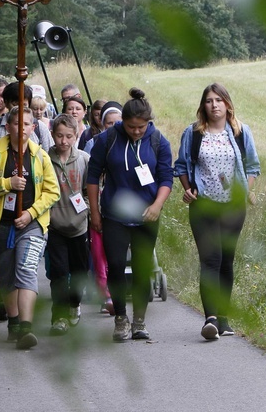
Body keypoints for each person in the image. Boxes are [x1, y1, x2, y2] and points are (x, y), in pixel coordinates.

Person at [173, 83, 260, 340]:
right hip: (204, 206)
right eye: (209, 101)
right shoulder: (193, 132)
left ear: (227, 104)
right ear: (203, 106)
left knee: (226, 262)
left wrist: (245, 191)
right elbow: (181, 166)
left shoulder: (241, 132)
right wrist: (188, 189)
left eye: (218, 100)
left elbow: (253, 166)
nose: (214, 105)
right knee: (210, 260)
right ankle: (210, 318)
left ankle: (223, 318)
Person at [86, 88, 173, 342]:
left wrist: (157, 205)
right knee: (115, 265)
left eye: (141, 127)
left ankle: (139, 321)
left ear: (148, 122)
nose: (136, 131)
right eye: (131, 127)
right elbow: (92, 177)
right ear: (123, 121)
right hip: (114, 214)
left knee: (142, 267)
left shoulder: (158, 140)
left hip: (147, 215)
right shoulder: (107, 139)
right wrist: (95, 212)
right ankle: (121, 318)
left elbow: (166, 177)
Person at [0, 106, 60, 350]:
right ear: (8, 127)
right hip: (2, 224)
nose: (21, 128)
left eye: (26, 124)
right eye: (16, 124)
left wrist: (31, 213)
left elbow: (52, 192)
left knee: (26, 270)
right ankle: (14, 320)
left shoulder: (40, 156)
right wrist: (7, 184)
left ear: (33, 128)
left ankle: (26, 326)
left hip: (32, 225)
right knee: (6, 276)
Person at [46, 114, 91, 335]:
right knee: (59, 273)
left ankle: (74, 303)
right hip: (54, 226)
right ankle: (59, 316)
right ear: (52, 134)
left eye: (69, 136)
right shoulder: (45, 158)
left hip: (79, 225)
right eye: (59, 136)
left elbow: (90, 190)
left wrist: (88, 210)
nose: (63, 141)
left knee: (80, 271)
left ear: (76, 136)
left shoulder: (83, 159)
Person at [84, 101, 122, 314]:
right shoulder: (96, 144)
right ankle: (104, 293)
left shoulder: (130, 146)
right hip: (99, 207)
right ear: (102, 124)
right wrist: (93, 211)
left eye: (118, 122)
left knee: (115, 255)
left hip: (120, 211)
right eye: (109, 123)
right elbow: (91, 179)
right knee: (99, 254)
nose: (114, 126)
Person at [0, 81, 54, 170]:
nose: (19, 108)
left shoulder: (40, 128)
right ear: (6, 103)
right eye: (15, 104)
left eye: (24, 105)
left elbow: (50, 161)